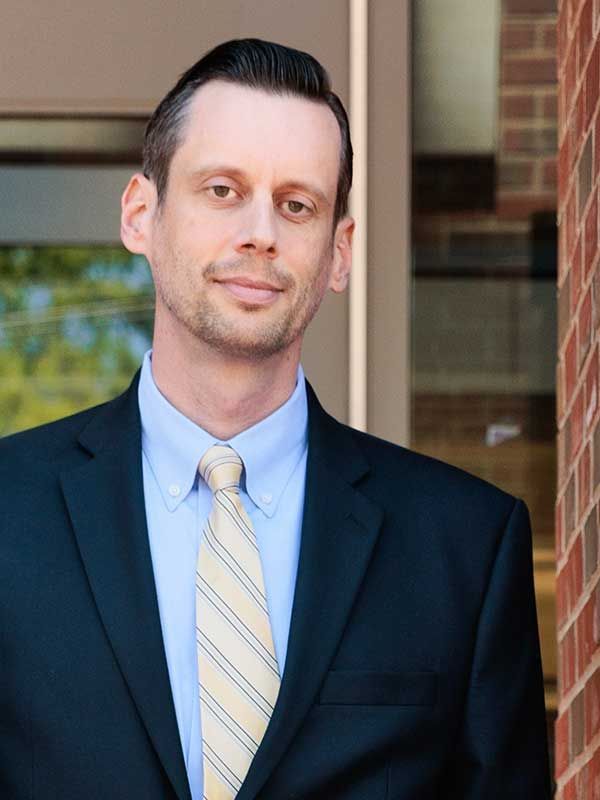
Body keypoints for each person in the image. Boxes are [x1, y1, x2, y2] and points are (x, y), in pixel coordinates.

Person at [0, 38, 551, 800]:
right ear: (140, 214)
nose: (261, 231)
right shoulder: (6, 511)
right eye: (222, 190)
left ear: (340, 252)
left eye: (298, 204)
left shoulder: (463, 546)